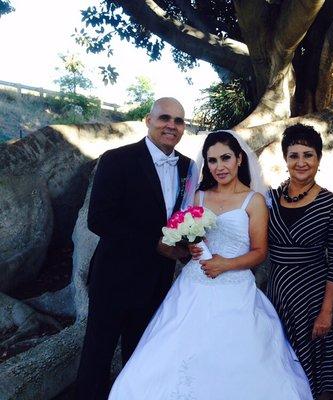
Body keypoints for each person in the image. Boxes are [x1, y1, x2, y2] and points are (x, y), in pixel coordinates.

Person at [108, 130, 313, 399]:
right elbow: (182, 239)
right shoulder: (199, 197)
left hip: (235, 289)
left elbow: (260, 252)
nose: (219, 167)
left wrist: (226, 264)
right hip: (193, 286)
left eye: (226, 158)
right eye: (212, 160)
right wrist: (188, 246)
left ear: (239, 159)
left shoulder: (255, 201)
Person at [76, 97, 199, 400]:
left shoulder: (188, 168)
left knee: (142, 355)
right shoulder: (117, 159)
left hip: (158, 280)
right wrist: (154, 242)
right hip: (114, 277)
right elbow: (99, 219)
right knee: (97, 354)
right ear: (148, 120)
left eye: (178, 121)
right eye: (165, 118)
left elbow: (188, 216)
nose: (171, 125)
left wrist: (188, 244)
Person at [267, 124, 333, 399]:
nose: (301, 162)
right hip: (275, 294)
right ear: (285, 159)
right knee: (277, 360)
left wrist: (327, 311)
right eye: (294, 155)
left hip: (311, 297)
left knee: (312, 366)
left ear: (319, 159)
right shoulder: (271, 199)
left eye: (308, 155)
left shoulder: (331, 204)